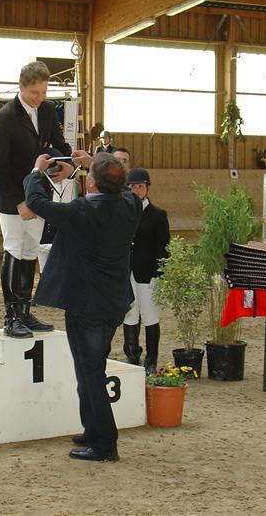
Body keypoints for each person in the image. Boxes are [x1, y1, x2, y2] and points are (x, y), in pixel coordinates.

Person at [24, 153, 142, 462]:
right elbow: (122, 187)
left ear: (91, 184)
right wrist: (93, 163)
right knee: (91, 368)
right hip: (113, 301)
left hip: (86, 304)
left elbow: (36, 202)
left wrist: (37, 171)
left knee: (91, 374)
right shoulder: (130, 204)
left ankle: (104, 444)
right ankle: (93, 429)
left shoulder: (84, 210)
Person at [0, 60, 80, 338]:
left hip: (39, 193)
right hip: (13, 197)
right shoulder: (5, 117)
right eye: (33, 93)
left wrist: (68, 164)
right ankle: (11, 316)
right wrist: (19, 201)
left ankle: (25, 311)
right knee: (15, 249)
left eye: (43, 92)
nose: (39, 98)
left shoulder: (48, 110)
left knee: (30, 250)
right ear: (21, 87)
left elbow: (60, 144)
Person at [122, 167, 170, 373]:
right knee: (130, 314)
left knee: (149, 314)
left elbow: (163, 247)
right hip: (126, 271)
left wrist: (158, 274)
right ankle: (132, 354)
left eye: (140, 186)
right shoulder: (123, 211)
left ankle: (151, 359)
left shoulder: (157, 215)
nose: (136, 190)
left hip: (147, 272)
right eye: (132, 187)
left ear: (147, 188)